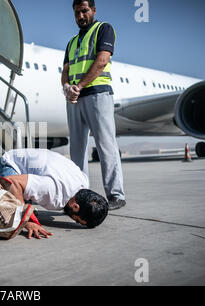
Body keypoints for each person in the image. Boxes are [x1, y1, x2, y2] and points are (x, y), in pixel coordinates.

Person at [61, 0, 126, 210]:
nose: (81, 16)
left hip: (97, 93)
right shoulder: (71, 42)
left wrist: (78, 85)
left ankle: (116, 195)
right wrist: (66, 87)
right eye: (77, 12)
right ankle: (80, 194)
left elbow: (102, 61)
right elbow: (65, 70)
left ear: (93, 10)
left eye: (84, 11)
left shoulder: (103, 29)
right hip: (75, 98)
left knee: (106, 145)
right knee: (77, 150)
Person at [0, 149, 109, 239]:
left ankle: (27, 192)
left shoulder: (84, 182)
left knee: (29, 191)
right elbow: (13, 182)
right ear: (75, 206)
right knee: (8, 219)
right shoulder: (55, 195)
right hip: (12, 162)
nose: (73, 220)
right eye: (76, 220)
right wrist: (26, 220)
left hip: (30, 160)